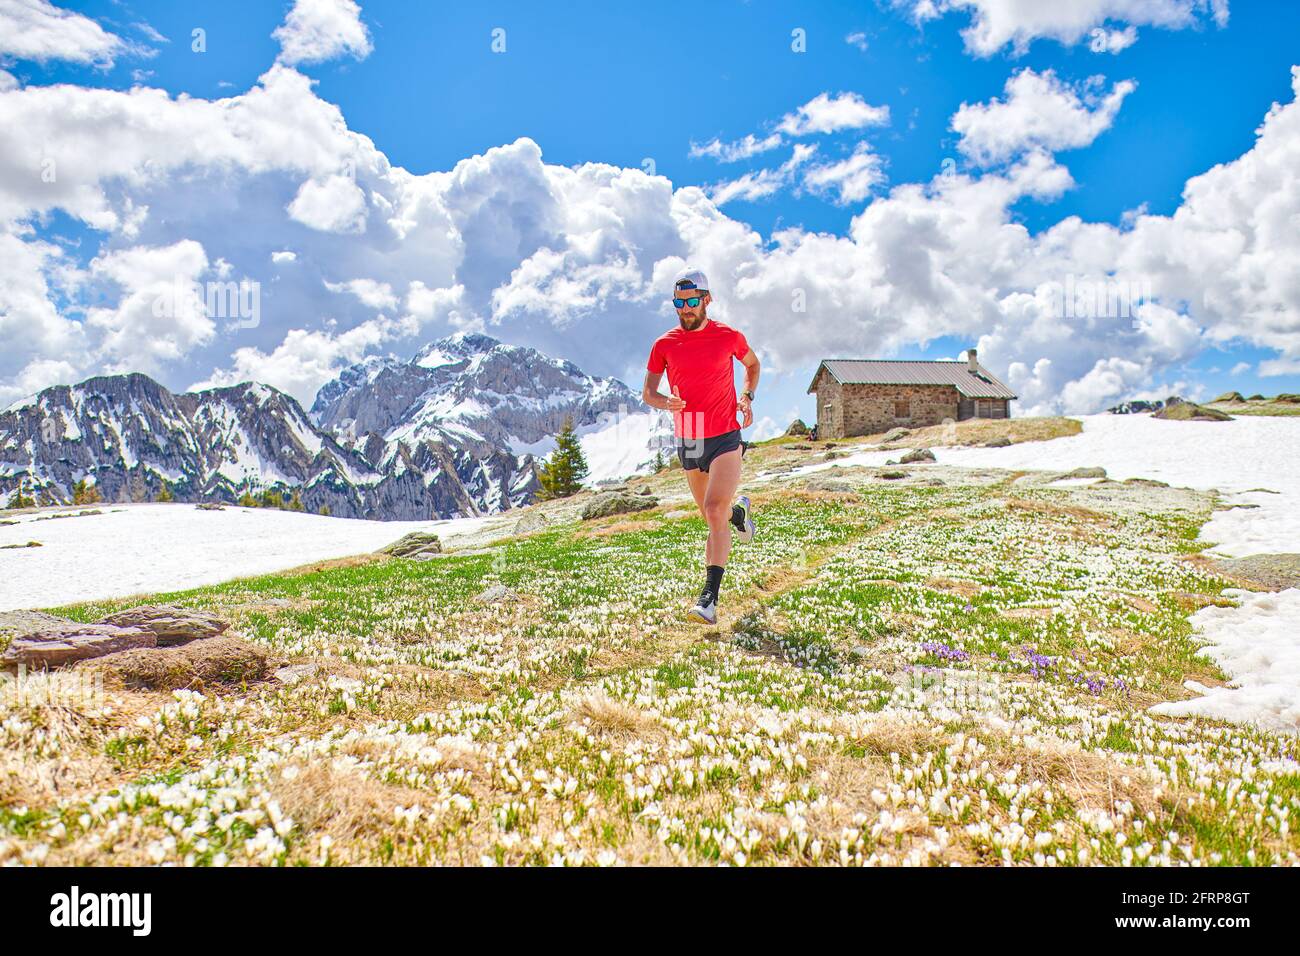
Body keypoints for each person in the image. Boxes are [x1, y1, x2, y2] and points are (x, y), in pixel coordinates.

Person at [642, 268, 760, 624]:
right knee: (714, 517)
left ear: (707, 299)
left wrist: (746, 397)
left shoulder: (728, 336)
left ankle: (708, 598)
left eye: (692, 301)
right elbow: (649, 393)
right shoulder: (664, 344)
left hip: (725, 432)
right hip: (689, 434)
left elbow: (752, 365)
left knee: (712, 510)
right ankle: (739, 516)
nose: (685, 309)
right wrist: (667, 404)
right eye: (678, 302)